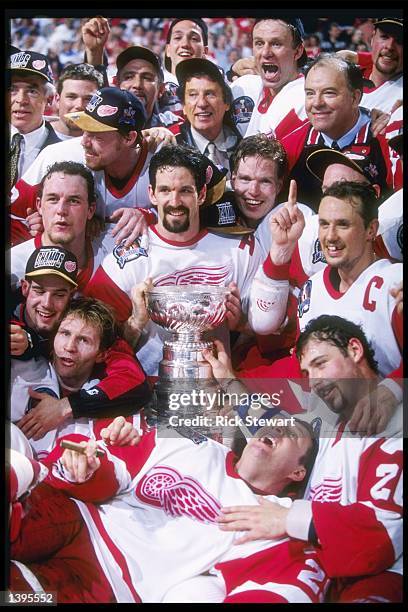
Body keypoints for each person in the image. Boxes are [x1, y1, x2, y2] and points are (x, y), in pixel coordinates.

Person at [9, 416, 327, 603]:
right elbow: (96, 459)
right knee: (19, 468)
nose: (277, 429)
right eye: (276, 422)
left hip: (108, 585)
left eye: (292, 434)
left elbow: (278, 592)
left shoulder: (277, 520)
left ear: (298, 474)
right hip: (76, 517)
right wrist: (86, 464)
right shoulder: (194, 441)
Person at [217, 315, 402, 603]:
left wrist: (290, 518)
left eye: (321, 364)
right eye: (307, 372)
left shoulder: (394, 423)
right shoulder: (326, 419)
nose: (315, 382)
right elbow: (270, 425)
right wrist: (228, 382)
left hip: (380, 578)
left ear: (354, 350)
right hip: (316, 568)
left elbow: (381, 536)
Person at [86, 144, 289, 375]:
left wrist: (242, 324)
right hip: (149, 392)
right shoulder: (124, 261)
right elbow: (98, 357)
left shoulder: (240, 250)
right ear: (151, 194)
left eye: (185, 190)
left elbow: (273, 329)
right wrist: (135, 322)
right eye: (165, 190)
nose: (175, 201)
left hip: (217, 390)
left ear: (201, 194)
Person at [9, 87, 152, 247]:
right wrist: (44, 234)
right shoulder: (60, 154)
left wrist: (150, 216)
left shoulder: (163, 164)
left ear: (129, 138)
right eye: (85, 130)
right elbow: (14, 217)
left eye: (97, 135)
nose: (84, 142)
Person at [13, 294, 151, 457]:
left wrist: (63, 407)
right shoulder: (21, 372)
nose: (70, 347)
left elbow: (137, 384)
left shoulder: (108, 401)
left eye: (84, 340)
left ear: (101, 354)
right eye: (65, 333)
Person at [280, 54, 393, 210]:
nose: (317, 103)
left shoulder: (387, 141)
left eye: (329, 93)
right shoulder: (290, 144)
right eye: (310, 93)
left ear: (355, 98)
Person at [10, 162, 119, 293]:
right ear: (39, 206)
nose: (61, 210)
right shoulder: (13, 267)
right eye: (53, 199)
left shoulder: (116, 252)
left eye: (73, 201)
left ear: (90, 210)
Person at [230, 16, 308, 140]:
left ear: (298, 51)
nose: (266, 53)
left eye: (276, 44)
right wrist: (231, 71)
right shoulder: (245, 86)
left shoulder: (305, 101)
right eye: (259, 43)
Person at [175, 57, 241, 177]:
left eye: (210, 94)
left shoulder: (243, 146)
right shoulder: (171, 145)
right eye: (193, 95)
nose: (202, 103)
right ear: (184, 106)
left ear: (226, 103)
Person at [8, 49, 60, 187]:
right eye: (12, 89)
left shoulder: (62, 152)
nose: (21, 100)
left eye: (32, 91)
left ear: (49, 99)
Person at [338, 17, 403, 113]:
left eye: (400, 41)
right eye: (384, 37)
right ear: (372, 39)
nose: (389, 46)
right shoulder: (345, 75)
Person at [160, 18, 209, 114]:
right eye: (178, 37)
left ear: (205, 51)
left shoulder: (218, 87)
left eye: (194, 38)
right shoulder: (156, 84)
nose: (185, 44)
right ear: (168, 50)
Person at [50, 63, 105, 140]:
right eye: (71, 97)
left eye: (88, 99)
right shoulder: (35, 136)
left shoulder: (109, 142)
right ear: (57, 100)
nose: (79, 105)